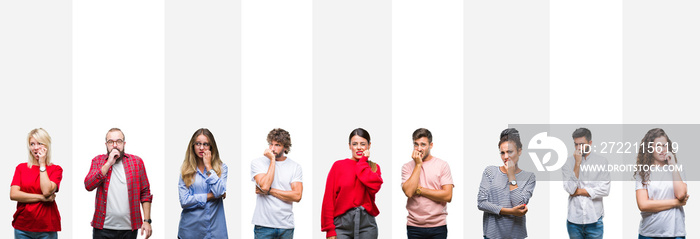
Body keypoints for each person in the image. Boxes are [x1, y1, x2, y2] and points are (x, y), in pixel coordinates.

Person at [84, 128, 153, 239]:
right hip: (102, 228)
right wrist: (108, 163)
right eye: (111, 142)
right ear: (106, 144)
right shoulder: (98, 161)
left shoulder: (136, 162)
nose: (115, 145)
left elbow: (145, 192)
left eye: (119, 141)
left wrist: (147, 220)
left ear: (124, 144)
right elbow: (88, 185)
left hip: (129, 229)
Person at [322, 128, 383, 239]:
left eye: (363, 144)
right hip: (341, 225)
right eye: (355, 144)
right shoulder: (338, 166)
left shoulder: (373, 167)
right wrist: (329, 230)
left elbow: (374, 188)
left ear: (369, 145)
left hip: (367, 225)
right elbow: (328, 199)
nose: (359, 147)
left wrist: (363, 161)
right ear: (350, 146)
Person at [477, 128, 536, 239]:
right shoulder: (490, 171)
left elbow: (519, 205)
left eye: (510, 152)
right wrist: (510, 211)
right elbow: (481, 203)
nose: (505, 157)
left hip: (516, 235)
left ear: (519, 151)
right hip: (492, 235)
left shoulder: (529, 177)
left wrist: (511, 175)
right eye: (502, 153)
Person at [634, 128, 688, 239]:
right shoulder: (643, 172)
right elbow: (643, 205)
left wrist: (672, 164)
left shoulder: (678, 169)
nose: (662, 149)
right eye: (658, 146)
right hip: (649, 234)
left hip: (676, 233)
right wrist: (676, 203)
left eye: (664, 145)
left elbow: (681, 195)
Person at [10, 128, 63, 239]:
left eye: (39, 143)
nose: (35, 147)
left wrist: (42, 163)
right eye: (32, 144)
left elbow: (46, 191)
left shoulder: (56, 169)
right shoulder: (21, 168)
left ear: (47, 145)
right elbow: (14, 194)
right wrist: (42, 198)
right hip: (22, 227)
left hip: (47, 228)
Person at [401, 128, 453, 239]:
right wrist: (418, 165)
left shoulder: (442, 165)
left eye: (423, 145)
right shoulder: (407, 167)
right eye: (416, 144)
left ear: (431, 145)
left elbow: (448, 196)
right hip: (414, 227)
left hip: (438, 226)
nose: (419, 149)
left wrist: (419, 189)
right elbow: (409, 192)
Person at [251, 128, 303, 239]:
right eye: (271, 144)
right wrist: (272, 160)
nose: (272, 148)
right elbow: (264, 185)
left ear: (285, 147)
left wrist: (270, 191)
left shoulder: (295, 167)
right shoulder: (258, 163)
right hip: (263, 226)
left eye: (277, 145)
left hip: (286, 226)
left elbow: (297, 196)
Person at [178, 128, 228, 239]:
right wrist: (210, 196)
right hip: (190, 232)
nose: (201, 148)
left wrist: (209, 167)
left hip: (215, 232)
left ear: (211, 146)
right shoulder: (185, 170)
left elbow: (219, 191)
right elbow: (184, 201)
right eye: (198, 144)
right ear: (193, 146)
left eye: (205, 144)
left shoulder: (221, 168)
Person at [562, 128, 610, 239]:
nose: (579, 148)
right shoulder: (568, 163)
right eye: (576, 144)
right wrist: (577, 164)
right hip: (574, 221)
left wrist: (579, 191)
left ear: (590, 143)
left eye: (582, 144)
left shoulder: (601, 162)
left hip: (594, 220)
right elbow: (570, 189)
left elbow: (605, 190)